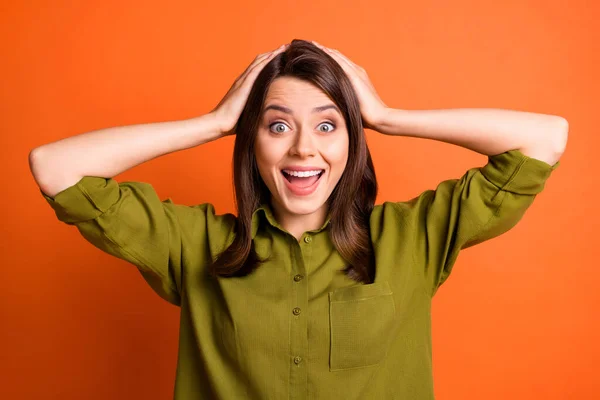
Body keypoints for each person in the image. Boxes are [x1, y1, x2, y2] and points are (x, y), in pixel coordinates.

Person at [29, 39, 566, 399]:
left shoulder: (411, 238)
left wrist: (385, 117)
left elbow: (545, 139)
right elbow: (55, 167)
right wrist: (215, 122)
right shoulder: (196, 245)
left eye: (328, 126)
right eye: (278, 126)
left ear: (353, 143)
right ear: (253, 142)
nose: (303, 149)